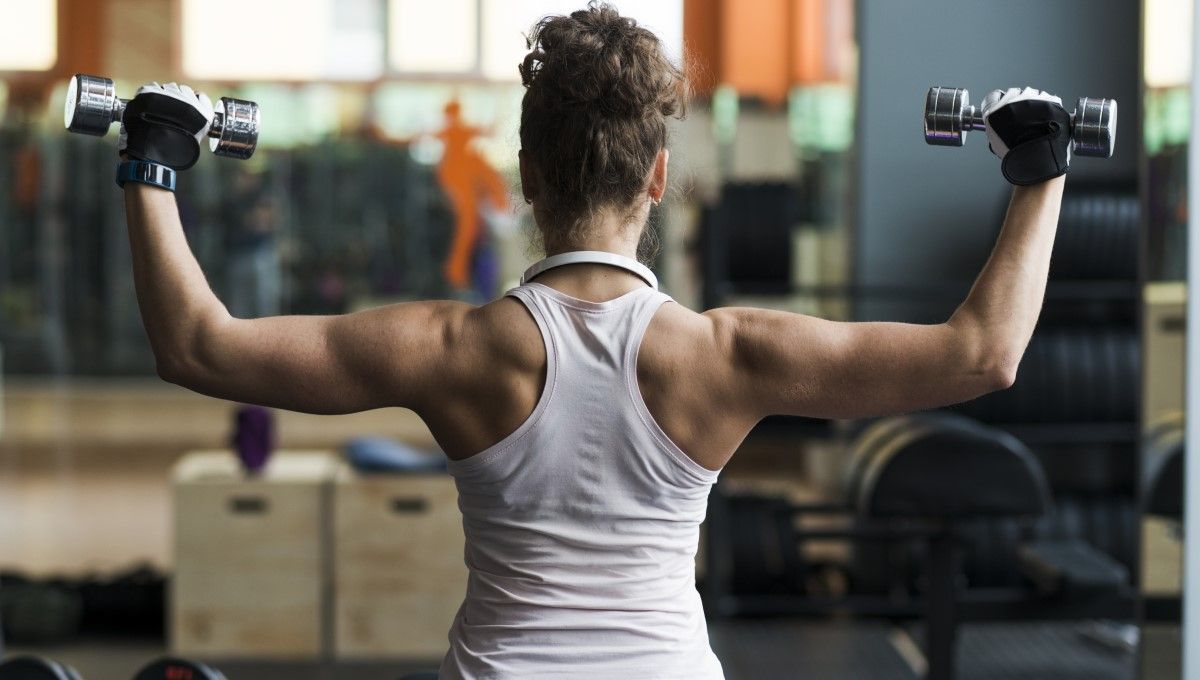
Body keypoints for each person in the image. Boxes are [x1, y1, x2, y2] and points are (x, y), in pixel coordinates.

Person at [113, 4, 1069, 678]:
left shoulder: (451, 348)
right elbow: (981, 352)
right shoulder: (725, 355)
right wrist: (1040, 172)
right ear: (657, 178)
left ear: (528, 176)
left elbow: (197, 345)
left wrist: (150, 163)